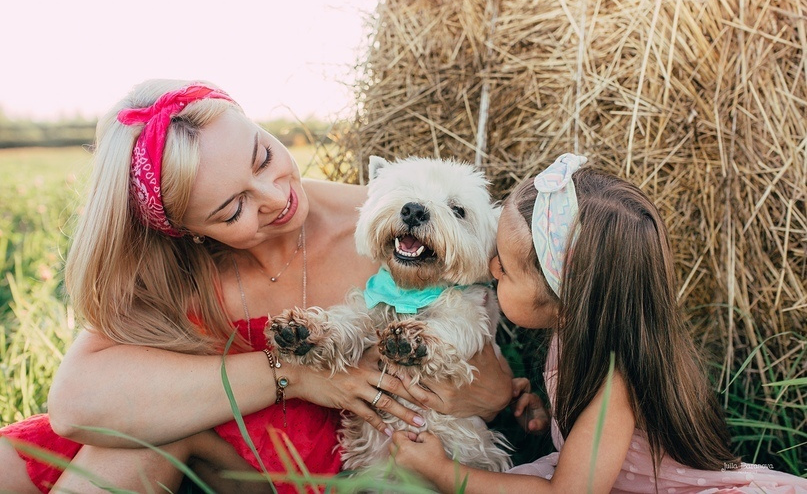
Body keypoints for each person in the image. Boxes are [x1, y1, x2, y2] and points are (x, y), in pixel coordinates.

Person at [0, 80, 513, 493]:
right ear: (189, 231)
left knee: (133, 441)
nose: (275, 196)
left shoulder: (394, 227)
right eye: (233, 209)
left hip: (339, 461)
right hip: (232, 444)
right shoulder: (183, 269)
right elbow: (74, 404)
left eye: (263, 156)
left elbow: (487, 386)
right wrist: (291, 372)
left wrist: (502, 395)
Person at [390, 154, 807, 493]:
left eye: (508, 269)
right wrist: (550, 413)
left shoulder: (614, 381)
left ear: (566, 299)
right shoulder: (582, 336)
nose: (492, 266)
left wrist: (445, 473)